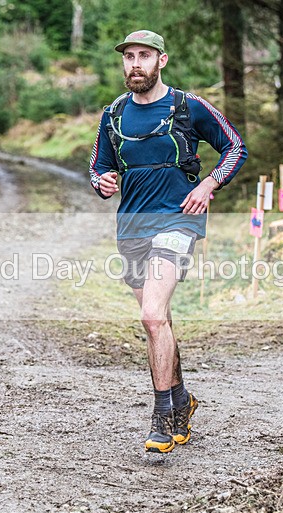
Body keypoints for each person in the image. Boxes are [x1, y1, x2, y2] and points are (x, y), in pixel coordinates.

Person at [88, 30, 247, 453]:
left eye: (144, 56)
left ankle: (161, 418)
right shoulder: (113, 114)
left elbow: (234, 147)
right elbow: (99, 165)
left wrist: (209, 184)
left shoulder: (187, 106)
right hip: (131, 227)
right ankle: (181, 400)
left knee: (153, 317)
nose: (135, 63)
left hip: (178, 221)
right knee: (160, 319)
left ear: (162, 60)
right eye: (129, 57)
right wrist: (101, 182)